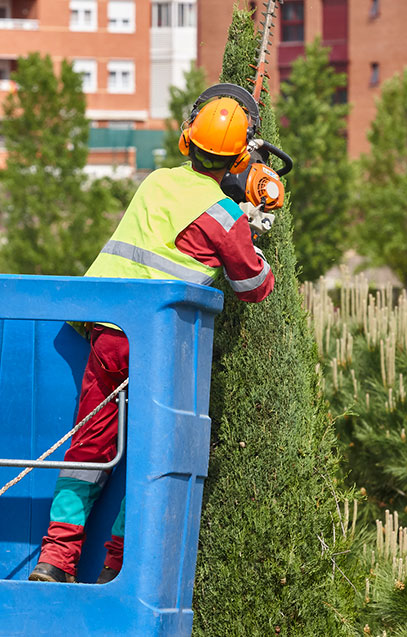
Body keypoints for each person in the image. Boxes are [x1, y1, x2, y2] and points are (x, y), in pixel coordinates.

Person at [28, 95, 275, 585]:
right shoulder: (225, 216)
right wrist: (253, 216)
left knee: (90, 448)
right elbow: (255, 287)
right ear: (242, 158)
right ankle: (117, 567)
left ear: (188, 140)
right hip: (159, 345)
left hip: (107, 332)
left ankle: (55, 560)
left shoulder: (157, 181)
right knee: (152, 454)